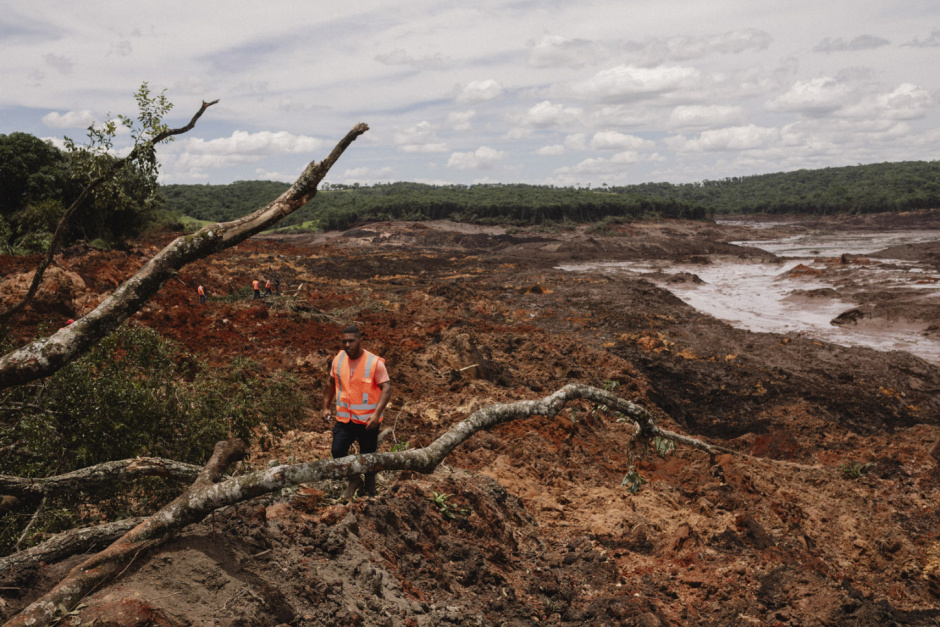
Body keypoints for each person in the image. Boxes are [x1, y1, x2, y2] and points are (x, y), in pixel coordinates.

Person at [322, 325, 392, 498]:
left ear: (360, 340)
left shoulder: (374, 362)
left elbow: (387, 388)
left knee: (368, 458)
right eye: (344, 341)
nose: (347, 345)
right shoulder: (338, 359)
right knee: (337, 451)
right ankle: (354, 479)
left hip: (368, 421)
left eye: (351, 341)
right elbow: (331, 383)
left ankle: (369, 492)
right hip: (345, 420)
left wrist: (376, 414)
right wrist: (325, 407)